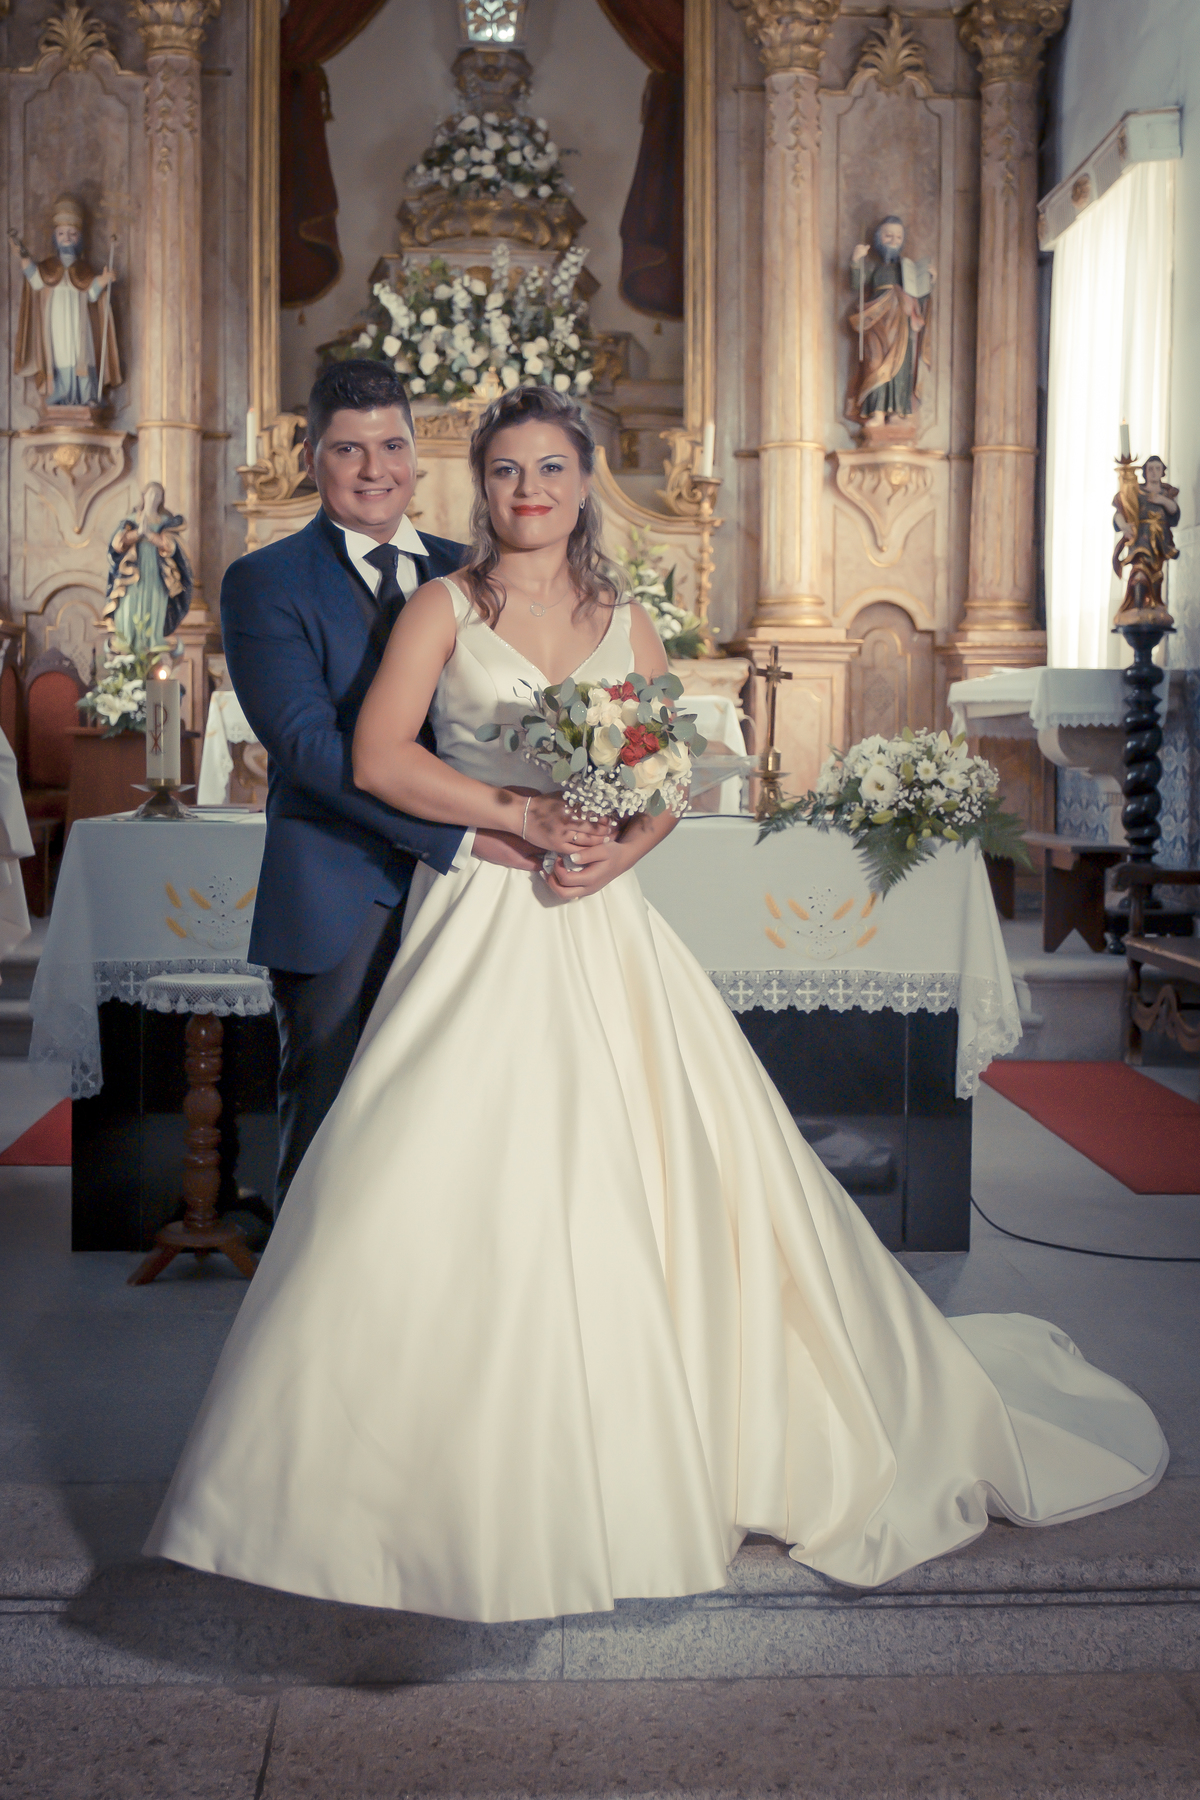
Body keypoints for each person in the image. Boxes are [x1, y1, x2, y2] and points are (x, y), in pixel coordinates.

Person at [146, 385, 1166, 1622]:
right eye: (508, 473)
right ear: (480, 483)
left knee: (652, 1167)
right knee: (423, 1170)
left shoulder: (623, 618)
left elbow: (667, 777)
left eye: (552, 471)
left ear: (587, 481)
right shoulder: (440, 603)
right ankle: (378, 1463)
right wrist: (519, 816)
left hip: (598, 915)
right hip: (478, 912)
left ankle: (651, 1436)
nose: (529, 493)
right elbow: (368, 757)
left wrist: (616, 854)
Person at [219, 361, 609, 1209]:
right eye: (348, 449)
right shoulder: (264, 581)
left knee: (458, 1130)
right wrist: (471, 835)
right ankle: (309, 1327)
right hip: (342, 892)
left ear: (416, 457)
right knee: (330, 1135)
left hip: (481, 904)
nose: (375, 470)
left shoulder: (469, 570)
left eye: (392, 445)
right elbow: (309, 748)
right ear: (310, 457)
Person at [10, 195, 120, 407]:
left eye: (71, 233)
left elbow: (90, 293)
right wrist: (23, 255)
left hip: (80, 321)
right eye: (61, 233)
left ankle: (87, 396)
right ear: (55, 237)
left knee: (83, 353)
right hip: (56, 320)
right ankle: (61, 392)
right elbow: (35, 279)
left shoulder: (84, 269)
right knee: (59, 355)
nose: (67, 238)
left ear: (79, 237)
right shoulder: (48, 266)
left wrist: (103, 279)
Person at [848, 215, 934, 429]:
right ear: (879, 239)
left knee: (900, 367)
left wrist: (929, 280)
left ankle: (896, 412)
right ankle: (876, 412)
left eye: (898, 236)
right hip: (876, 322)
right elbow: (856, 285)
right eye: (888, 235)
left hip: (901, 325)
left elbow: (920, 298)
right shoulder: (875, 268)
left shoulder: (908, 270)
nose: (894, 240)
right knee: (875, 363)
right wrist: (857, 261)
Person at [103, 482, 192, 649]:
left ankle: (151, 645)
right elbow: (117, 543)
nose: (154, 498)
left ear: (161, 500)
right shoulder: (131, 520)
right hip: (132, 572)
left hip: (156, 573)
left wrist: (150, 534)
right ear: (143, 496)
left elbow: (171, 546)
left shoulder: (166, 522)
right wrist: (138, 533)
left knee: (154, 606)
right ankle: (127, 645)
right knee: (128, 605)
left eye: (158, 495)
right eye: (151, 494)